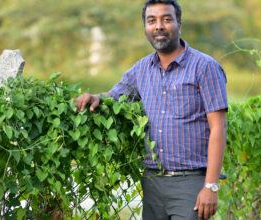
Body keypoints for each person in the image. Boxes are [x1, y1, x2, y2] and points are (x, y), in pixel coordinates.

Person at [75, 0, 228, 219]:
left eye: (166, 19)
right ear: (146, 27)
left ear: (179, 24)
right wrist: (94, 97)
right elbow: (114, 97)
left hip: (190, 183)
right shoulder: (141, 69)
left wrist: (211, 186)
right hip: (152, 181)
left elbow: (219, 128)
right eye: (151, 20)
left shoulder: (205, 67)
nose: (158, 26)